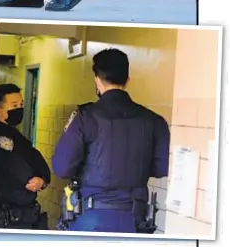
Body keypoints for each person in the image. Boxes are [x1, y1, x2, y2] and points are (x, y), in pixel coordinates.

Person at [52, 48, 171, 233]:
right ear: (128, 81)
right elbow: (162, 167)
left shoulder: (84, 117)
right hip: (135, 220)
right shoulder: (154, 120)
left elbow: (62, 167)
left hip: (90, 218)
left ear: (97, 80)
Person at [0, 83, 50, 230]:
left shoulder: (15, 134)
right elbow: (11, 163)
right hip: (6, 212)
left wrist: (43, 178)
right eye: (14, 105)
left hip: (22, 212)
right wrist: (31, 179)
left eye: (21, 104)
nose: (19, 109)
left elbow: (36, 158)